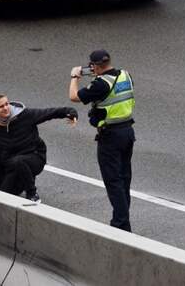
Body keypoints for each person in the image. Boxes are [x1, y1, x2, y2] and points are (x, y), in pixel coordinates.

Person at [69, 50, 135, 232]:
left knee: (113, 181)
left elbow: (74, 97)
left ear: (95, 66)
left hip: (111, 136)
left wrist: (75, 76)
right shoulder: (125, 75)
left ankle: (121, 225)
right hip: (128, 132)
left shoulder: (101, 83)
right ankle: (122, 218)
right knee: (124, 179)